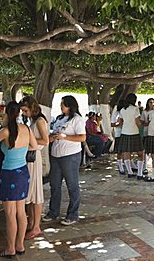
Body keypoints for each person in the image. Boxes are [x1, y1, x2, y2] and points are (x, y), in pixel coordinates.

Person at [0, 101, 37, 258]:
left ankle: (10, 248)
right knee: (21, 212)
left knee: (10, 214)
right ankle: (20, 245)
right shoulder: (26, 129)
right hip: (23, 172)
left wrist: (3, 125)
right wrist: (20, 151)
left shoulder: (5, 131)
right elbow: (34, 146)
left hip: (9, 174)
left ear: (7, 114)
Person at [43, 96, 86, 226]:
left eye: (63, 104)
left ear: (70, 105)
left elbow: (82, 137)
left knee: (72, 185)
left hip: (70, 156)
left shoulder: (77, 119)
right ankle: (53, 211)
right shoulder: (59, 119)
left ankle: (72, 214)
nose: (61, 107)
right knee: (55, 185)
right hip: (56, 155)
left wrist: (65, 137)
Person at [19, 96, 49, 240]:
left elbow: (45, 140)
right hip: (30, 158)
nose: (24, 113)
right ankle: (32, 223)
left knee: (36, 193)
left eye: (25, 110)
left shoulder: (40, 121)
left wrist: (27, 140)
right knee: (30, 192)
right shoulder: (33, 121)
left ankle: (36, 226)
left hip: (34, 158)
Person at [118, 93, 145, 179]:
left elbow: (120, 122)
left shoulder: (122, 110)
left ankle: (130, 172)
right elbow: (138, 122)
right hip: (134, 133)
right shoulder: (135, 109)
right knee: (140, 153)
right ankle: (140, 173)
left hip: (125, 133)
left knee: (126, 153)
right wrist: (143, 125)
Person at [111, 99, 125, 174]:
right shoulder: (117, 113)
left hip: (126, 132)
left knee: (125, 150)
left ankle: (125, 163)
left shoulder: (126, 112)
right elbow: (112, 123)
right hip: (119, 133)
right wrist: (119, 124)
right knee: (119, 151)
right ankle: (120, 165)